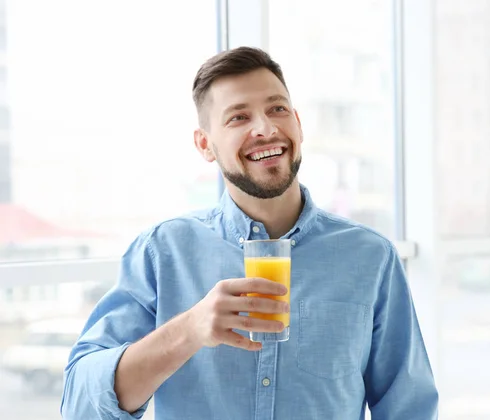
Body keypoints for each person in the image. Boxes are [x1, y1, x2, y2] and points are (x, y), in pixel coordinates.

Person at [60, 46, 438, 420]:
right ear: (205, 145)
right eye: (238, 117)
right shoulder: (161, 252)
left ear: (299, 124)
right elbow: (80, 405)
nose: (266, 128)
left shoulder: (370, 257)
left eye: (277, 109)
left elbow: (410, 408)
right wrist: (189, 330)